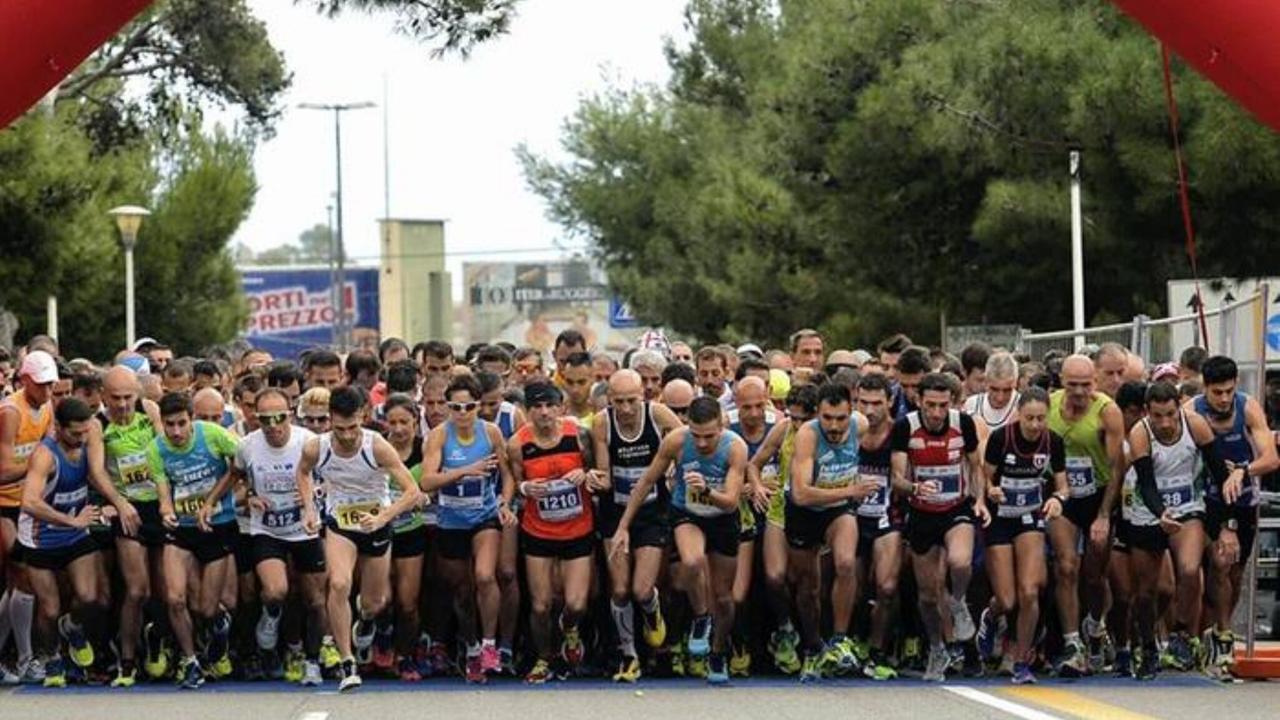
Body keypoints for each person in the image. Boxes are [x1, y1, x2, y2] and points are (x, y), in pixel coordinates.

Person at [295, 386, 422, 692]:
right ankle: (347, 661)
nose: (348, 435)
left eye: (353, 427)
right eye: (340, 428)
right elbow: (302, 473)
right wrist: (309, 508)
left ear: (363, 417)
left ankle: (364, 622)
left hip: (376, 524)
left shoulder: (376, 446)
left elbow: (413, 492)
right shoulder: (317, 447)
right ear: (330, 421)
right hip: (341, 523)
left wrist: (382, 517)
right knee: (338, 583)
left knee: (374, 602)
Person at [613, 396, 747, 685]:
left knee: (725, 598)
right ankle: (700, 616)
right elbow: (647, 481)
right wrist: (623, 526)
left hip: (722, 517)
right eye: (696, 435)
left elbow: (732, 502)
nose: (701, 443)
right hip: (687, 513)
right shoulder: (676, 441)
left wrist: (708, 492)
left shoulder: (734, 447)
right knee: (692, 560)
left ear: (721, 427)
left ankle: (719, 650)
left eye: (708, 436)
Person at [1125, 381, 1241, 679]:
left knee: (1189, 570)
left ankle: (1180, 633)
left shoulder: (1196, 425)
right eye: (1158, 416)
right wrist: (1159, 512)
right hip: (1148, 511)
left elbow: (1219, 475)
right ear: (1147, 413)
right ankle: (1148, 646)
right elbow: (1147, 483)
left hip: (1189, 506)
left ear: (1179, 408)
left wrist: (1228, 526)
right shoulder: (1140, 434)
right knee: (1146, 590)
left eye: (1170, 415)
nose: (1165, 423)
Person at [19, 398, 133, 687]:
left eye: (85, 433)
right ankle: (52, 658)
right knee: (49, 607)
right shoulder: (45, 455)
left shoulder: (91, 432)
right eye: (75, 434)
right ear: (58, 428)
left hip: (74, 533)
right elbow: (29, 501)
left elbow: (96, 473)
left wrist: (119, 503)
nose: (82, 439)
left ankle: (72, 627)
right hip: (39, 537)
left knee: (89, 597)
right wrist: (71, 520)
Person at [891, 373, 987, 682]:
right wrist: (915, 487)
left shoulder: (963, 424)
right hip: (921, 513)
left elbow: (976, 465)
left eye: (943, 405)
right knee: (928, 595)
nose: (936, 413)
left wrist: (980, 499)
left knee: (960, 562)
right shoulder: (905, 426)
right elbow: (897, 478)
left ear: (953, 403)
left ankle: (958, 601)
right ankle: (936, 647)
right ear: (919, 400)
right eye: (930, 405)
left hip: (956, 507)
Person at [420, 376, 516, 683]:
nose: (463, 413)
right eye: (456, 407)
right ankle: (471, 646)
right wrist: (465, 471)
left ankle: (490, 645)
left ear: (478, 406)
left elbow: (508, 474)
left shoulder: (490, 432)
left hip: (484, 516)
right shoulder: (438, 436)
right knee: (461, 592)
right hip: (450, 522)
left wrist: (505, 502)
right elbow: (427, 482)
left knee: (486, 576)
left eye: (470, 406)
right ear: (449, 407)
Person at [508, 382, 602, 684]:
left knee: (576, 604)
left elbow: (602, 475)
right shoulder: (517, 444)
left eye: (550, 405)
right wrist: (525, 488)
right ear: (528, 410)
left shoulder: (580, 436)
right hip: (539, 532)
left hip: (578, 530)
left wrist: (586, 475)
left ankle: (570, 629)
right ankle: (543, 657)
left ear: (560, 407)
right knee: (540, 605)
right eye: (537, 406)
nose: (544, 412)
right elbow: (515, 487)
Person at [1189, 355, 1278, 674]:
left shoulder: (1248, 407)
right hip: (1206, 500)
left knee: (1234, 573)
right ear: (1205, 388)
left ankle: (1216, 629)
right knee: (1217, 564)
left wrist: (1242, 470)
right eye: (1217, 392)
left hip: (1242, 500)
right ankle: (1218, 636)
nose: (1224, 399)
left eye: (1229, 391)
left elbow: (1270, 459)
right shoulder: (1192, 412)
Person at [593, 369, 681, 682]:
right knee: (619, 588)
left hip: (652, 510)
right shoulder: (602, 422)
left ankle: (652, 611)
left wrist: (674, 468)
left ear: (643, 396)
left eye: (632, 401)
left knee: (642, 589)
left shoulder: (658, 415)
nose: (627, 409)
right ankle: (629, 655)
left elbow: (686, 442)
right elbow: (603, 473)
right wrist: (593, 479)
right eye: (619, 402)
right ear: (609, 401)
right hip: (615, 512)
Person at [150, 391, 242, 689]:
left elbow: (240, 465)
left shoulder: (213, 435)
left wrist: (214, 501)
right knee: (175, 599)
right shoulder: (157, 449)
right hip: (182, 530)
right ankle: (191, 661)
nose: (176, 432)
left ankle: (219, 626)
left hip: (217, 525)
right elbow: (163, 491)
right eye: (169, 425)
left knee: (207, 607)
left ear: (192, 420)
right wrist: (166, 510)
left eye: (181, 424)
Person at [976, 388, 1068, 685]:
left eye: (1041, 418)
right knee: (1008, 599)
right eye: (1029, 418)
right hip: (1000, 517)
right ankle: (991, 617)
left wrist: (1057, 499)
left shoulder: (1053, 441)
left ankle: (1020, 661)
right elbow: (983, 474)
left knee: (1030, 591)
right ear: (1019, 415)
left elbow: (1063, 485)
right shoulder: (1002, 438)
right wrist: (989, 491)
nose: (1035, 424)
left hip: (1029, 516)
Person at [236, 387, 326, 687]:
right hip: (267, 528)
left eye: (279, 417)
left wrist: (314, 498)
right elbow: (237, 478)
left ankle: (312, 661)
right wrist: (248, 496)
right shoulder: (247, 445)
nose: (273, 425)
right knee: (275, 591)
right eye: (265, 419)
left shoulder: (308, 442)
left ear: (290, 413)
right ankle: (271, 616)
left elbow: (331, 477)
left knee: (315, 599)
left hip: (304, 527)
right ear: (255, 419)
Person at [787, 383, 877, 681]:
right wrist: (851, 489)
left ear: (852, 412)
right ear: (818, 414)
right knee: (808, 586)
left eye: (840, 418)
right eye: (827, 418)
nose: (835, 426)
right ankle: (813, 646)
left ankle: (839, 639)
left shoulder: (860, 425)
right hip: (805, 512)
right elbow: (800, 494)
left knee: (845, 563)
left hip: (838, 510)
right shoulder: (807, 435)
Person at [1046, 354, 1126, 675]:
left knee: (1094, 576)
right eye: (1072, 385)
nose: (1079, 392)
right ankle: (1071, 644)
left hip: (1098, 496)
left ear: (1094, 382)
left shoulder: (1107, 412)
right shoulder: (1050, 406)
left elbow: (1117, 468)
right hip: (1064, 497)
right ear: (1062, 383)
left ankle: (1095, 625)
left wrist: (1104, 515)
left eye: (1086, 385)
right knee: (1066, 567)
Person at [99, 366, 166, 685]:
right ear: (103, 396)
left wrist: (166, 500)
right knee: (137, 589)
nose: (123, 405)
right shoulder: (98, 424)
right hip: (128, 509)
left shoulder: (149, 410)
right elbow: (96, 471)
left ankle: (159, 644)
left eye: (128, 397)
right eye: (115, 398)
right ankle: (126, 660)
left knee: (165, 590)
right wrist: (119, 503)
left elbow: (165, 452)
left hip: (157, 505)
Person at [750, 384, 818, 675]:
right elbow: (755, 463)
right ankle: (785, 627)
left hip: (816, 510)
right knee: (775, 576)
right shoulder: (782, 429)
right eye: (793, 418)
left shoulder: (828, 432)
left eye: (804, 419)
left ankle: (814, 643)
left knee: (808, 586)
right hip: (781, 507)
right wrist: (756, 486)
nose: (798, 424)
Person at [0, 350, 57, 684]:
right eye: (41, 385)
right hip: (4, 503)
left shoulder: (47, 406)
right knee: (21, 574)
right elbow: (3, 469)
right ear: (24, 381)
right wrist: (36, 465)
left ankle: (20, 657)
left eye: (51, 384)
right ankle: (24, 658)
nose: (48, 392)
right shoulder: (10, 412)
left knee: (18, 586)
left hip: (28, 503)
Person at [851, 373, 902, 680]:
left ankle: (878, 649)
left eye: (876, 404)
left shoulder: (900, 432)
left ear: (890, 402)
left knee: (886, 586)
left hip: (888, 518)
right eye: (863, 402)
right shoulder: (847, 431)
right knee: (852, 588)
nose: (869, 410)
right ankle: (851, 641)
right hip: (853, 518)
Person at [379, 394, 430, 681]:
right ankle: (381, 641)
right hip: (381, 531)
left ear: (415, 422)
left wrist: (426, 494)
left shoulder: (425, 449)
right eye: (393, 422)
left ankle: (406, 656)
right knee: (381, 599)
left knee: (408, 603)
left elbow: (435, 480)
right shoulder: (377, 448)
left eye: (405, 422)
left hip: (412, 532)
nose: (398, 429)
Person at [962, 352, 1020, 432]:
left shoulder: (1022, 406)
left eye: (1007, 390)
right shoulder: (971, 405)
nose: (1000, 398)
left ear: (1015, 383)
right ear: (986, 382)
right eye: (994, 389)